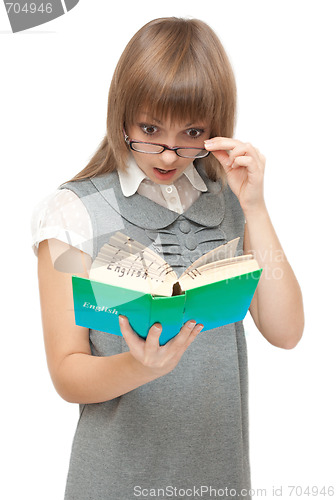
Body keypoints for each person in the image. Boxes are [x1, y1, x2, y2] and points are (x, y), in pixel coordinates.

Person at [32, 17, 304, 500]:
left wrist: (255, 205)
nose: (169, 151)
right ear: (122, 115)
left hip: (218, 481)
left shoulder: (230, 203)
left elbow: (286, 332)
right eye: (150, 128)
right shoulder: (73, 211)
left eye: (192, 132)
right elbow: (67, 373)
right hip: (113, 483)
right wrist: (143, 367)